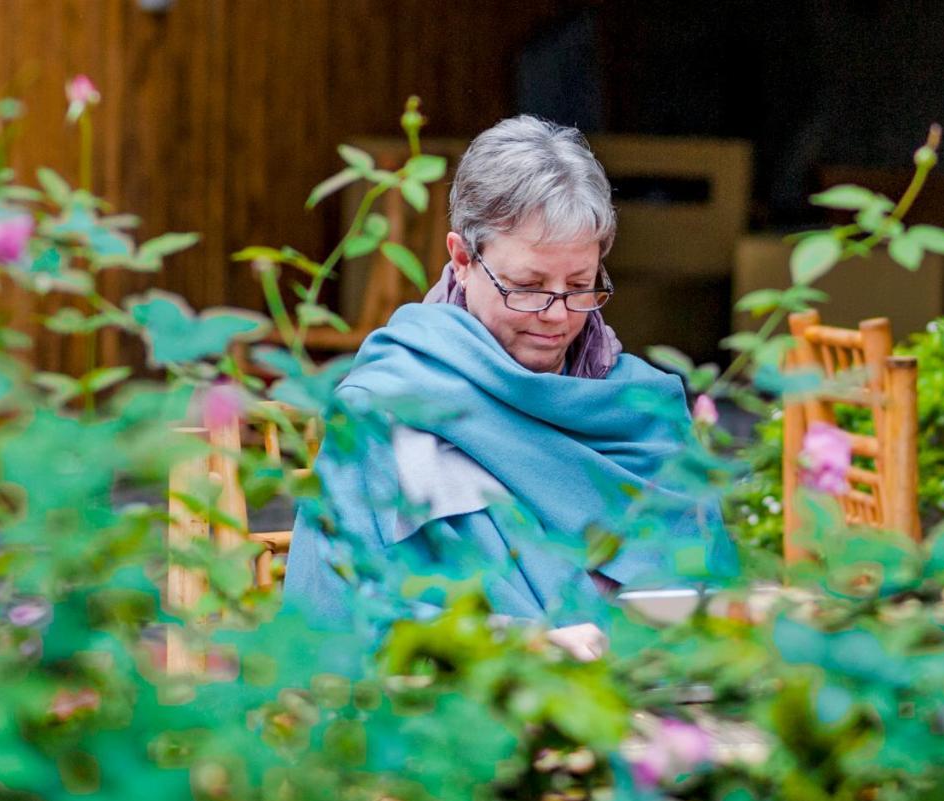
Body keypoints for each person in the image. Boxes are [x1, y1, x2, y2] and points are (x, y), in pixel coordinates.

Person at [283, 116, 734, 660]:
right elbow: (334, 615)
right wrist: (518, 645)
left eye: (580, 285)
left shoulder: (639, 409)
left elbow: (715, 596)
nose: (556, 315)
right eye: (527, 287)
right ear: (462, 259)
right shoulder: (387, 404)